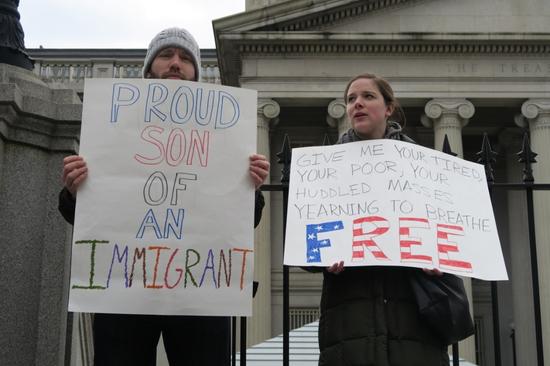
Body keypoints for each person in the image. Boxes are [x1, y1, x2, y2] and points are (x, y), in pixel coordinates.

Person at [59, 27, 270, 366]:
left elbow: (247, 220)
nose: (176, 64)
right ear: (148, 69)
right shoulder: (113, 126)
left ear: (196, 74)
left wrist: (250, 188)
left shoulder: (224, 136)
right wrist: (73, 188)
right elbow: (82, 216)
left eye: (186, 59)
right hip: (126, 288)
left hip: (199, 292)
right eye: (166, 55)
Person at [316, 73, 449, 366]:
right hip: (350, 320)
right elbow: (305, 239)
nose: (357, 104)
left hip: (412, 321)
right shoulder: (326, 168)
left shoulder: (420, 165)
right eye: (351, 99)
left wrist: (437, 257)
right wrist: (322, 259)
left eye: (368, 97)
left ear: (388, 108)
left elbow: (442, 231)